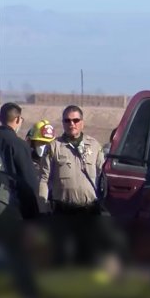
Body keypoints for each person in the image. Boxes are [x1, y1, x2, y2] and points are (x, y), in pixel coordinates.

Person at [38, 105, 109, 268]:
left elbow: (104, 176)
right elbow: (43, 178)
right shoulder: (54, 147)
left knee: (89, 256)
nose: (72, 124)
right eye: (67, 120)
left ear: (82, 123)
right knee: (62, 256)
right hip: (63, 211)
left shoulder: (94, 146)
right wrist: (42, 209)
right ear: (63, 123)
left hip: (89, 211)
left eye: (76, 120)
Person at [0, 102, 40, 298]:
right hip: (11, 213)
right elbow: (29, 184)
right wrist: (36, 217)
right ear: (17, 120)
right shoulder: (17, 144)